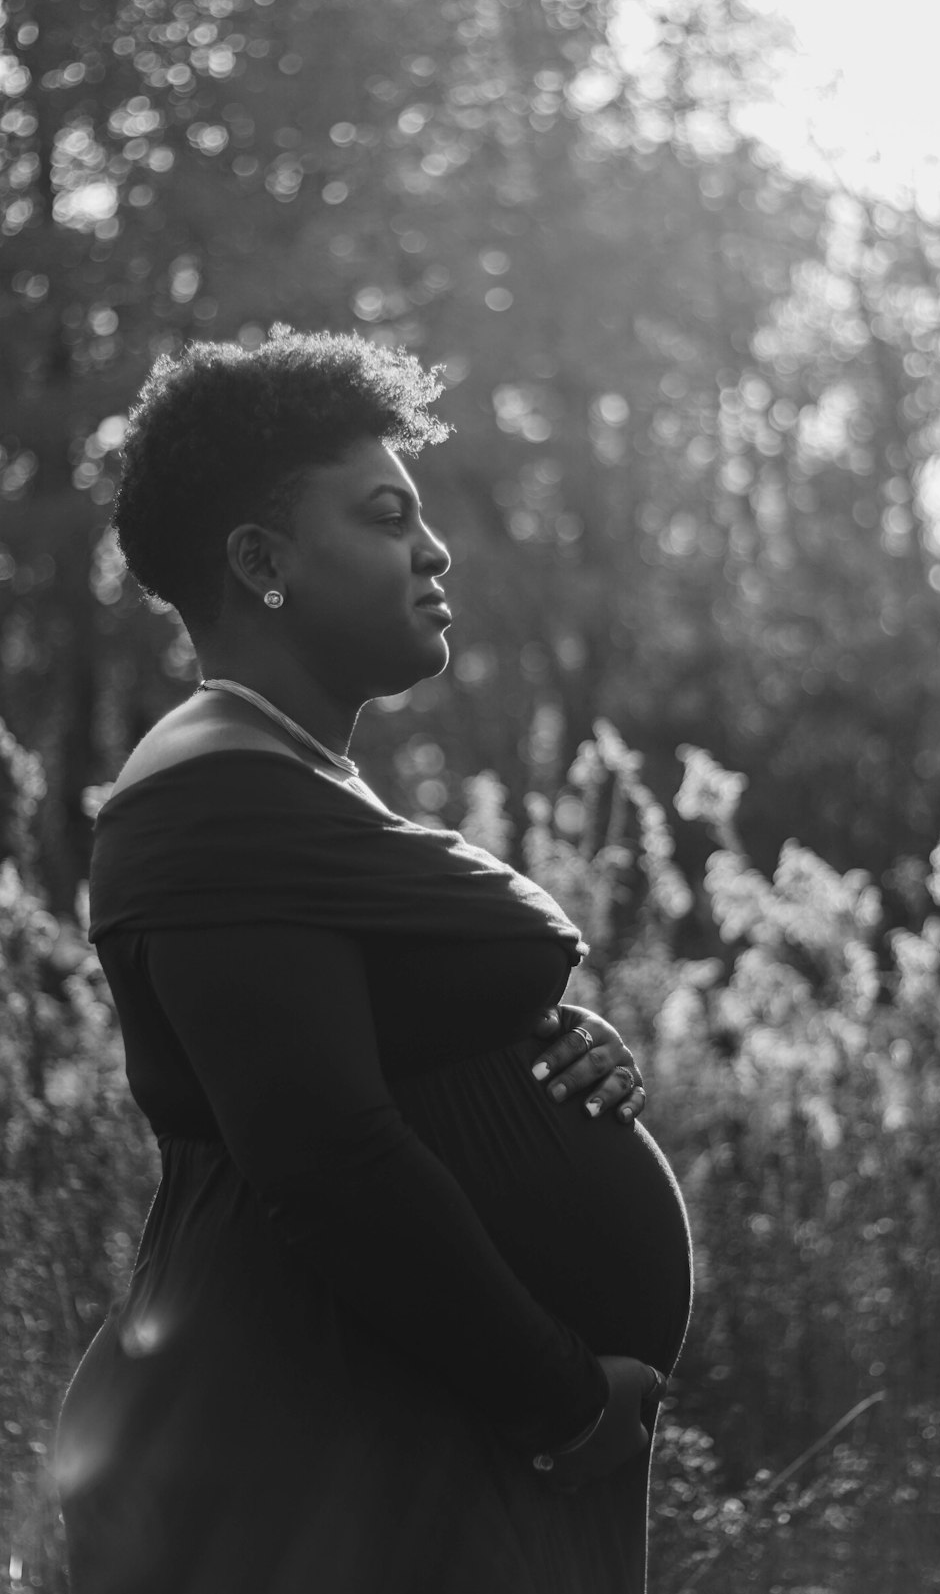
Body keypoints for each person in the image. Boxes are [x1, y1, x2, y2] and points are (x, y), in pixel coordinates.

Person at [56, 328, 692, 1594]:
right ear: (260, 560)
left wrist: (522, 1036)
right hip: (305, 1445)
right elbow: (324, 1155)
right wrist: (558, 1401)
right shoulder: (210, 801)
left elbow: (355, 1047)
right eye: (386, 513)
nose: (437, 547)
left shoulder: (279, 781)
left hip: (382, 1430)